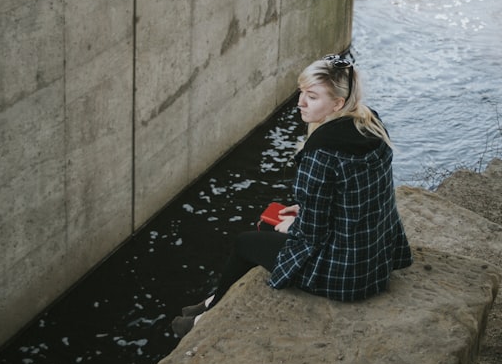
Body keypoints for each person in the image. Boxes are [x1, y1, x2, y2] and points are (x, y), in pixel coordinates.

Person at [171, 52, 412, 337]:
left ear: (337, 103)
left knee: (245, 243)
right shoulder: (371, 124)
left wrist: (293, 225)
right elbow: (359, 195)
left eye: (311, 96)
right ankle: (212, 301)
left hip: (344, 275)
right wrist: (305, 207)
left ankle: (205, 318)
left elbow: (311, 235)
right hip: (376, 259)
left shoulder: (321, 153)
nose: (300, 102)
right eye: (301, 93)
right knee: (268, 235)